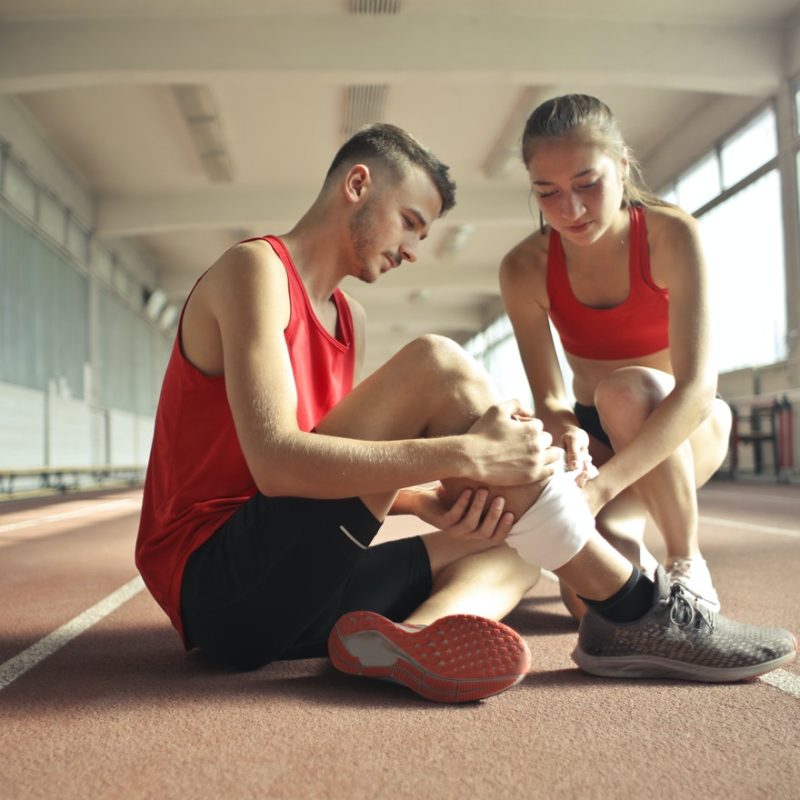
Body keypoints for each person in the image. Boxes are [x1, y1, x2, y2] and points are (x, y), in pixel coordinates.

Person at [136, 123, 795, 706]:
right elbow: (278, 466)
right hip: (220, 591)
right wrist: (465, 457)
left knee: (513, 533)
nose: (414, 250)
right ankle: (634, 607)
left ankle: (417, 637)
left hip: (290, 599)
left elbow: (323, 478)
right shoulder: (255, 270)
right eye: (411, 223)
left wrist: (427, 500)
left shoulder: (349, 319)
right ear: (358, 185)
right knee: (436, 363)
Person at [501, 93, 732, 618]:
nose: (571, 210)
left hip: (684, 425)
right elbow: (552, 396)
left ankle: (685, 560)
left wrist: (602, 488)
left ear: (623, 166)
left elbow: (697, 389)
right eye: (547, 193)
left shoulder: (673, 235)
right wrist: (568, 434)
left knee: (627, 390)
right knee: (590, 605)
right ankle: (630, 539)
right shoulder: (524, 268)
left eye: (587, 185)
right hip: (598, 437)